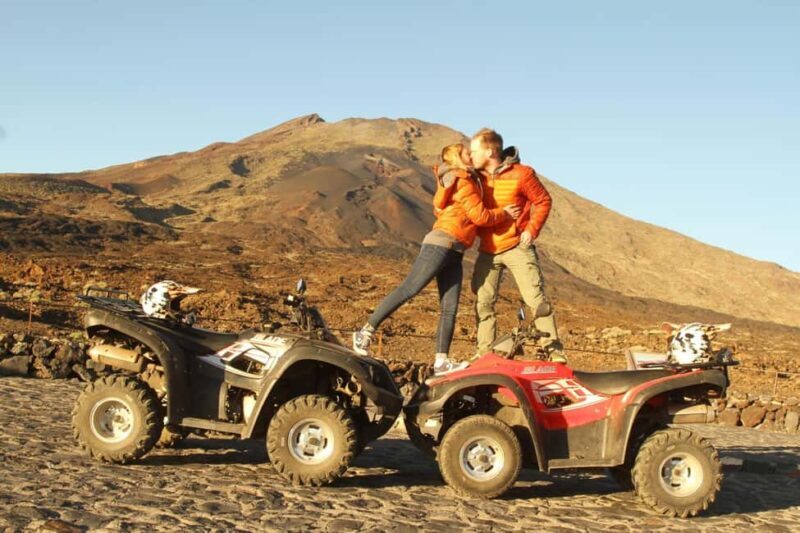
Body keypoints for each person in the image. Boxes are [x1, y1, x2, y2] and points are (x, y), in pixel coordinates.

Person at [352, 143, 521, 374]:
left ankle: (441, 361)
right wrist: (505, 213)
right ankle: (364, 333)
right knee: (409, 289)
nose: (471, 155)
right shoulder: (462, 180)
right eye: (466, 153)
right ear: (457, 158)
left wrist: (504, 161)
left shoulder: (466, 179)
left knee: (449, 308)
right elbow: (479, 216)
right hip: (441, 244)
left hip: (455, 250)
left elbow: (446, 204)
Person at [469, 128, 566, 362]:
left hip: (516, 246)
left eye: (474, 151)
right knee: (483, 302)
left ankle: (554, 352)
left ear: (491, 151)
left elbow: (543, 200)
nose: (471, 156)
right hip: (487, 250)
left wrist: (531, 230)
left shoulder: (522, 174)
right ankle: (484, 354)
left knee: (535, 299)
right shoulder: (474, 177)